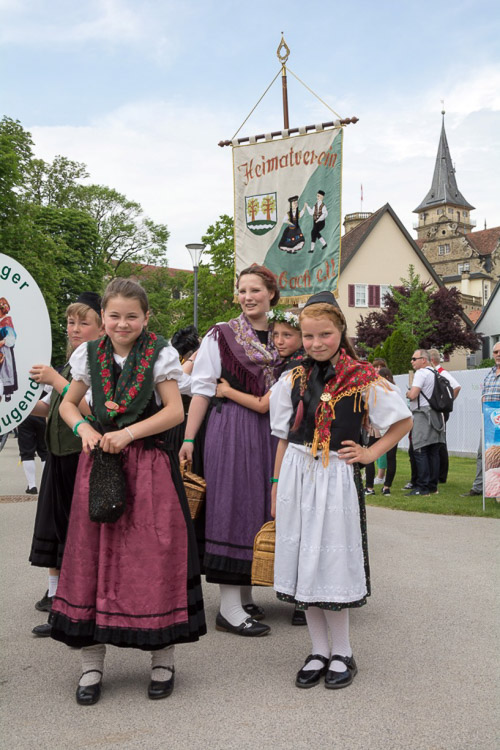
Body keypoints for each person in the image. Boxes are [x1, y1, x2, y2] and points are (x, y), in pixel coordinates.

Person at [51, 278, 206, 705]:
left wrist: (131, 432)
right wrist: (83, 428)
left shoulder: (161, 353)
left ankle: (162, 659)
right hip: (99, 463)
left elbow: (175, 411)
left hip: (148, 467)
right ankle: (91, 665)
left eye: (131, 316)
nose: (123, 323)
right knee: (90, 557)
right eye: (115, 316)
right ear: (103, 317)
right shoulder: (88, 354)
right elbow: (68, 402)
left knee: (152, 558)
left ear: (146, 317)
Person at [269, 291, 412, 689]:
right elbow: (283, 437)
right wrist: (276, 485)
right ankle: (317, 649)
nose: (316, 343)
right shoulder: (292, 377)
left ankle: (343, 651)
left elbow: (402, 422)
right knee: (303, 562)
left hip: (334, 477)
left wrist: (370, 453)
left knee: (329, 562)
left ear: (340, 331)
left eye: (325, 335)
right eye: (309, 336)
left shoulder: (364, 378)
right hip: (298, 473)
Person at [179, 264, 281, 637]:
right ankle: (229, 607)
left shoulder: (286, 334)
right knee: (233, 506)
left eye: (255, 290)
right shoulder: (221, 335)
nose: (247, 297)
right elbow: (203, 388)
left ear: (272, 293)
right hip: (233, 429)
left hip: (273, 431)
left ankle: (246, 591)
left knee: (260, 506)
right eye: (242, 291)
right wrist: (189, 439)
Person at [215, 306, 307, 626]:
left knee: (296, 518)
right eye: (276, 335)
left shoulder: (292, 367)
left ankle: (302, 599)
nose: (279, 341)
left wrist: (227, 390)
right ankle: (297, 600)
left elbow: (263, 403)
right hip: (290, 443)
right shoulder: (288, 363)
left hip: (296, 446)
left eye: (287, 335)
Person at [28, 292, 103, 637]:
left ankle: (80, 604)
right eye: (71, 322)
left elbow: (95, 412)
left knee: (79, 534)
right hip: (58, 459)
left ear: (101, 329)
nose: (74, 329)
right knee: (56, 529)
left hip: (84, 461)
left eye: (83, 323)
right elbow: (46, 408)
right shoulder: (65, 364)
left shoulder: (99, 363)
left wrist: (58, 382)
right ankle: (58, 602)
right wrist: (14, 403)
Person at [461, 342, 500, 497]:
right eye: (495, 351)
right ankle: (479, 487)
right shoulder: (489, 373)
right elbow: (483, 397)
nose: (498, 354)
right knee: (482, 454)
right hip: (489, 422)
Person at [405, 349, 445, 496]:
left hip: (422, 414)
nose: (412, 361)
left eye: (414, 358)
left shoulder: (421, 373)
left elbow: (414, 394)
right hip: (435, 413)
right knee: (433, 451)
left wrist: (408, 393)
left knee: (420, 450)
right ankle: (433, 487)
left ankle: (422, 488)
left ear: (423, 360)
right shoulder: (435, 373)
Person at [365, 367, 401, 496]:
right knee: (391, 458)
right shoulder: (396, 390)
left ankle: (369, 487)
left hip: (378, 427)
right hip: (393, 426)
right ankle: (387, 487)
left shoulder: (375, 389)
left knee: (369, 455)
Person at [428, 349, 461, 484]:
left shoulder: (442, 372)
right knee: (437, 441)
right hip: (437, 410)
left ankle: (442, 475)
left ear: (432, 360)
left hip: (441, 411)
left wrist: (446, 403)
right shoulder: (435, 372)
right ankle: (437, 473)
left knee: (440, 441)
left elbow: (457, 387)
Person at [17, 414, 48, 494]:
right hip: (42, 414)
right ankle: (46, 484)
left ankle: (32, 485)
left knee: (27, 453)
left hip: (25, 414)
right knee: (45, 451)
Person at [0, 297, 18, 401]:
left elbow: (11, 338)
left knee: (5, 371)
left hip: (4, 350)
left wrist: (2, 342)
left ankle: (7, 393)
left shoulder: (6, 321)